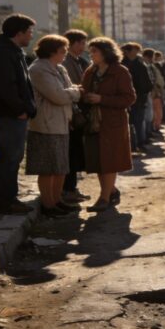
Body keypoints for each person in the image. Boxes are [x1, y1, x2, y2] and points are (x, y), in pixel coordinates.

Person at [26, 35, 83, 217]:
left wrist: (72, 92)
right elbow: (58, 95)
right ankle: (48, 204)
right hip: (46, 124)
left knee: (60, 167)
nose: (65, 54)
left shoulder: (59, 68)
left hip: (61, 122)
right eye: (62, 51)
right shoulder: (39, 69)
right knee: (48, 167)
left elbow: (68, 89)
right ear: (51, 51)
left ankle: (57, 200)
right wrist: (75, 93)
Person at [82, 37, 137, 212]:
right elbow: (84, 90)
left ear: (106, 52)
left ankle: (104, 198)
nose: (91, 55)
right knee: (98, 160)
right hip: (93, 122)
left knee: (110, 160)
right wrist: (83, 96)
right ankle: (111, 191)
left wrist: (102, 99)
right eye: (91, 51)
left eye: (94, 51)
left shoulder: (120, 71)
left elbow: (129, 98)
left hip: (113, 123)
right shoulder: (91, 71)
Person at [0, 14, 37, 214]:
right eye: (29, 32)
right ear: (19, 33)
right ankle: (5, 201)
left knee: (10, 158)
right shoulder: (3, 53)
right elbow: (5, 87)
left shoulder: (13, 51)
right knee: (9, 158)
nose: (31, 36)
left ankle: (5, 198)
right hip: (8, 115)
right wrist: (19, 110)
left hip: (12, 114)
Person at [61, 29, 91, 204]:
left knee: (76, 152)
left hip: (80, 111)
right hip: (71, 112)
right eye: (81, 43)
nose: (83, 46)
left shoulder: (80, 60)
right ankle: (67, 189)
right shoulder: (65, 62)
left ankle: (72, 187)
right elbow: (71, 87)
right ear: (71, 43)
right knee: (70, 152)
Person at [121, 43, 151, 151]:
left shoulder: (140, 64)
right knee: (129, 123)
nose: (138, 52)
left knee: (138, 122)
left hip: (140, 99)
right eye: (135, 50)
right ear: (128, 51)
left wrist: (146, 91)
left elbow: (147, 82)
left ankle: (139, 143)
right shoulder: (122, 65)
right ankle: (132, 146)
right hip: (128, 99)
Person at [142, 48, 165, 136]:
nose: (153, 59)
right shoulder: (148, 66)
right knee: (150, 113)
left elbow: (158, 79)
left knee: (153, 112)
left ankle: (152, 129)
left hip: (154, 92)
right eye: (152, 57)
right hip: (151, 92)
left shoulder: (151, 66)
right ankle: (150, 130)